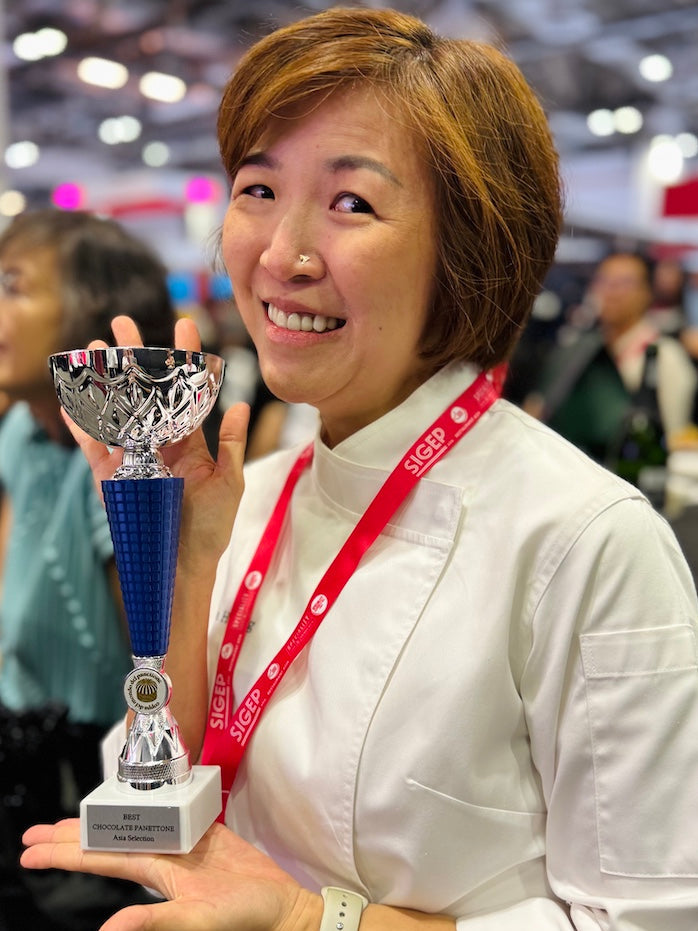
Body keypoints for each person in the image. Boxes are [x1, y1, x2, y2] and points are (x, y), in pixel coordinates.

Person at [21, 8, 698, 930]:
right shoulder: (250, 495)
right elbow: (158, 795)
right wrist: (180, 566)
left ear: (467, 255)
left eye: (352, 204)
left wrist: (309, 920)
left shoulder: (586, 540)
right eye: (257, 188)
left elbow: (645, 917)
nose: (280, 254)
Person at [0, 208, 175, 928]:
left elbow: (157, 663)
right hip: (16, 747)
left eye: (14, 285)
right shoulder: (19, 429)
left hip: (87, 774)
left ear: (92, 317)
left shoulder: (123, 469)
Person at [525, 251, 697, 502]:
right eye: (603, 281)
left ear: (647, 293)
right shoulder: (576, 349)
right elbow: (539, 407)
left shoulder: (665, 357)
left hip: (628, 493)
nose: (611, 292)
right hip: (561, 482)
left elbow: (670, 438)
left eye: (624, 283)